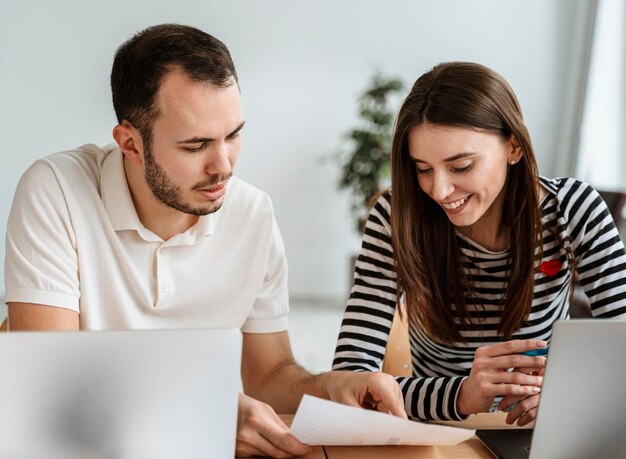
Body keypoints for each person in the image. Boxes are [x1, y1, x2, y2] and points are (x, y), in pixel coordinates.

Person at [3, 24, 406, 458]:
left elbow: (269, 375)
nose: (223, 166)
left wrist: (328, 386)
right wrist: (201, 411)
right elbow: (51, 387)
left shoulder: (253, 215)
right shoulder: (56, 191)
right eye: (196, 145)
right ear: (130, 144)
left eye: (233, 135)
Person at [333, 61, 626, 428]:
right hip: (440, 432)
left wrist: (572, 391)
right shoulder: (396, 217)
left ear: (514, 147)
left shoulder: (572, 209)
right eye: (423, 169)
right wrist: (463, 394)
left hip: (543, 429)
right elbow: (350, 386)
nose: (438, 190)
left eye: (461, 166)